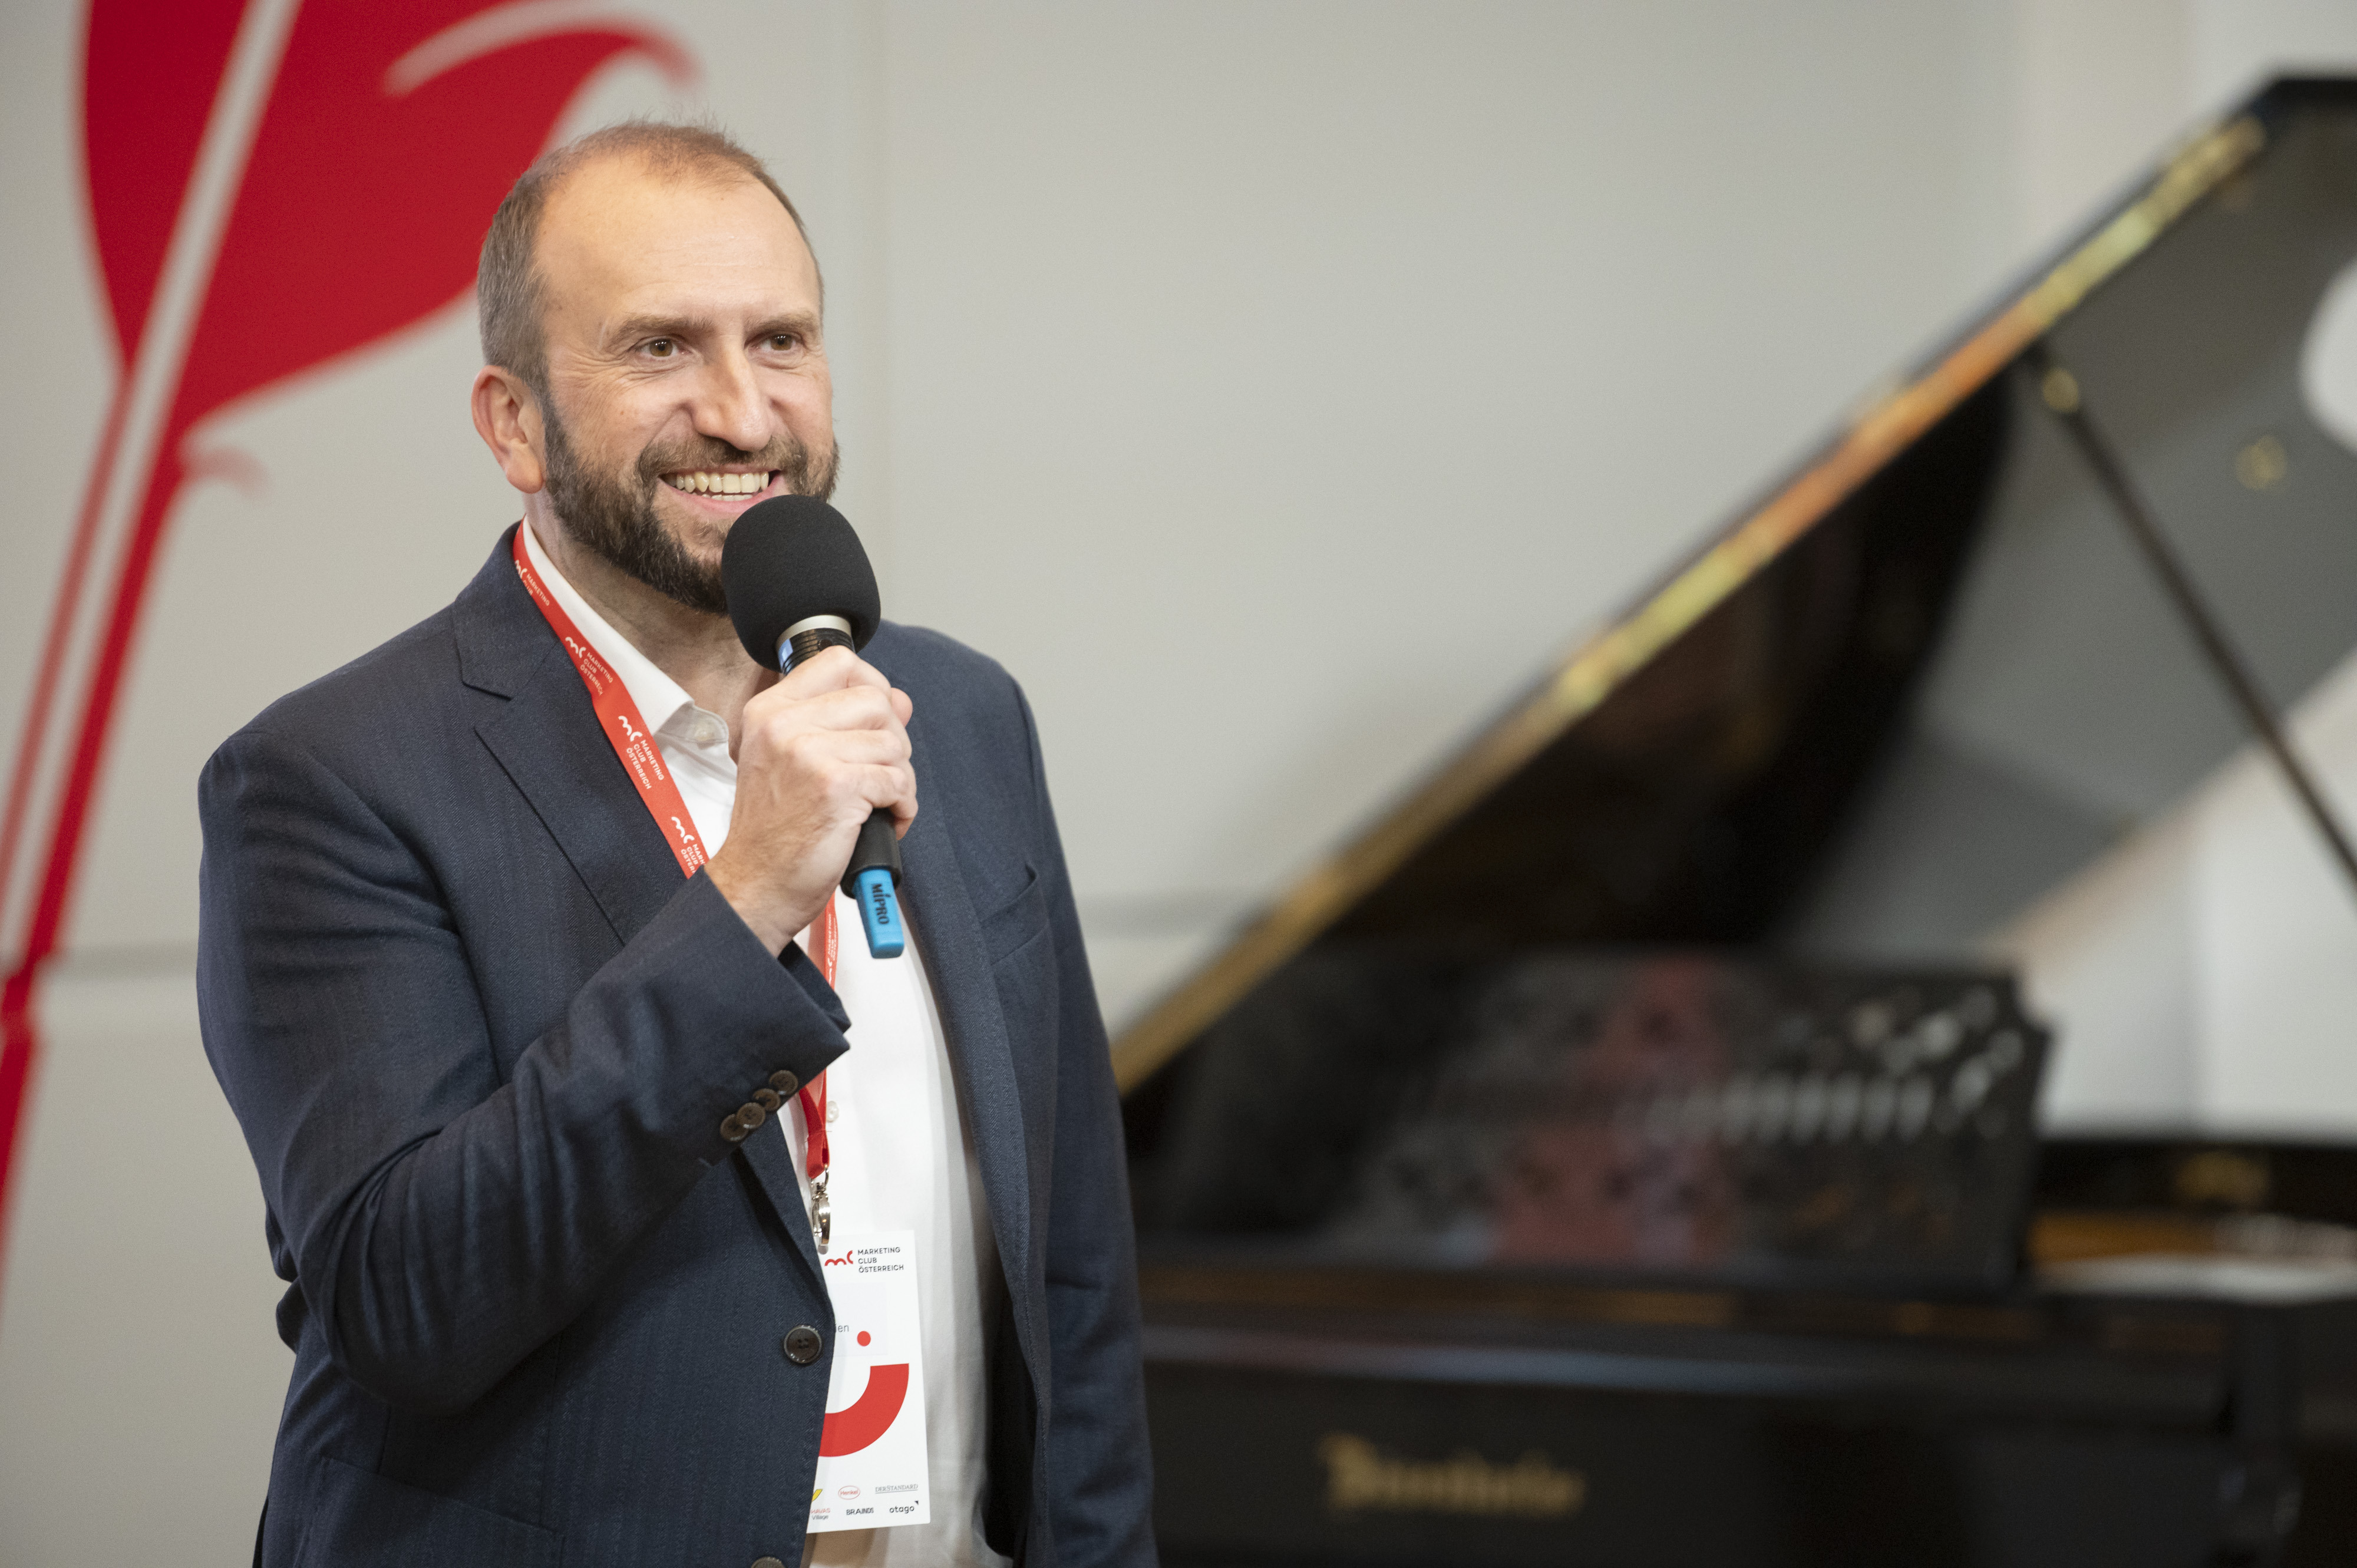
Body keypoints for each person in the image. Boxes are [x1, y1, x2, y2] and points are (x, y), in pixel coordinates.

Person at [196, 121, 1154, 1568]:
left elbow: (1070, 1254)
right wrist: (748, 889)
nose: (742, 413)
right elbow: (408, 1300)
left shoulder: (957, 711)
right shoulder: (329, 778)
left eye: (780, 341)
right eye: (659, 348)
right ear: (514, 423)